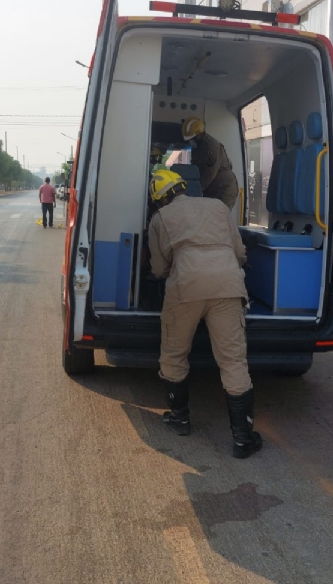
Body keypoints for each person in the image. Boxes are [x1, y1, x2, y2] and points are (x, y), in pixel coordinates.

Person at [147, 168, 262, 459]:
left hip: (185, 288)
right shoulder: (218, 206)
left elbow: (159, 270)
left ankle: (180, 418)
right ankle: (242, 439)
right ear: (184, 187)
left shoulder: (160, 218)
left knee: (174, 354)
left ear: (159, 199)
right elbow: (239, 252)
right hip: (227, 285)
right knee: (233, 360)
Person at [182, 117, 239, 209]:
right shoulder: (197, 147)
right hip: (211, 190)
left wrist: (196, 191)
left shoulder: (211, 147)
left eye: (192, 138)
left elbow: (210, 173)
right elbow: (195, 169)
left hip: (223, 190)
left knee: (218, 218)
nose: (190, 142)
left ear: (200, 134)